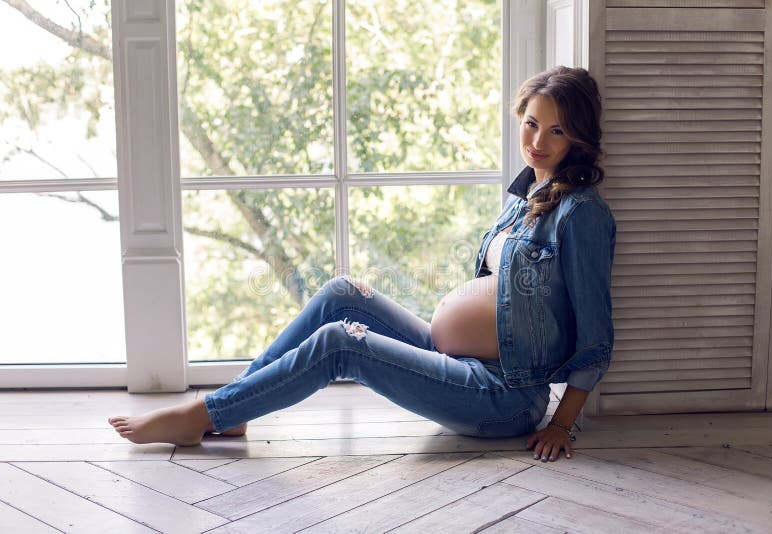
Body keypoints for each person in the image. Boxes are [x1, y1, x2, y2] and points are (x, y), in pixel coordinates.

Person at [109, 65, 616, 464]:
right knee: (342, 293)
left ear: (578, 139)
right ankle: (235, 409)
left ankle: (205, 414)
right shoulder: (527, 193)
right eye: (531, 123)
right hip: (461, 362)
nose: (537, 141)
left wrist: (560, 423)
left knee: (340, 344)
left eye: (556, 131)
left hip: (502, 396)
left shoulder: (582, 213)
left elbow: (595, 338)